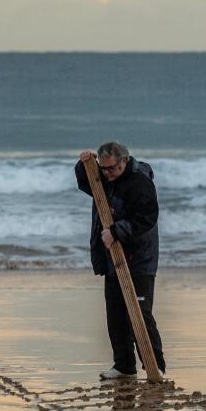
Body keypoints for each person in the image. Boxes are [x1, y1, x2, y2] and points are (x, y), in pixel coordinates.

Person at [75, 141, 166, 380]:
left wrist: (117, 231)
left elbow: (147, 218)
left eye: (112, 168)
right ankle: (124, 366)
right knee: (115, 314)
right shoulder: (106, 178)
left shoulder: (140, 182)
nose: (107, 173)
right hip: (113, 258)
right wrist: (83, 164)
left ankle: (156, 367)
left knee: (140, 312)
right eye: (103, 169)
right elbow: (87, 184)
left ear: (124, 161)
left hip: (139, 258)